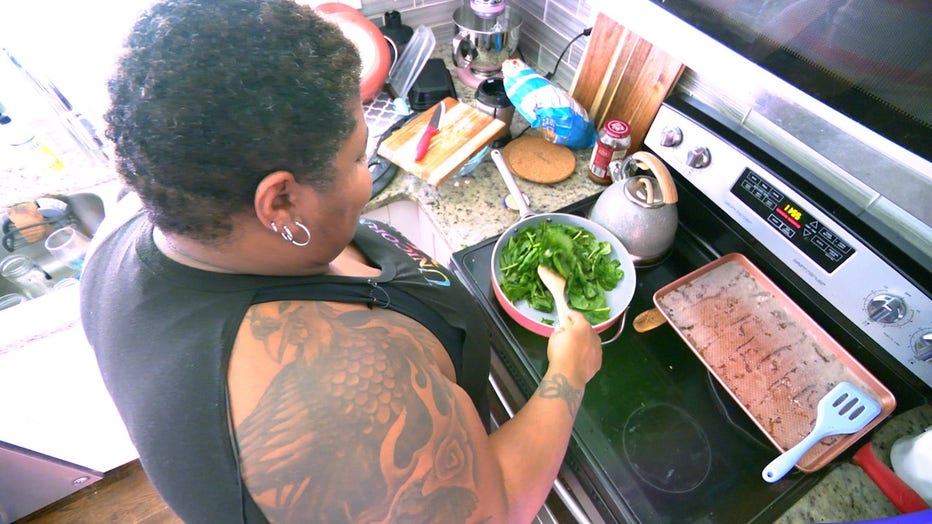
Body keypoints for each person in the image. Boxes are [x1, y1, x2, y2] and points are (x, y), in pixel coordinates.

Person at [80, 0, 603, 522]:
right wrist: (569, 374)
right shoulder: (338, 417)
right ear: (280, 201)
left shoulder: (153, 210)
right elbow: (497, 508)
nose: (368, 170)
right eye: (358, 155)